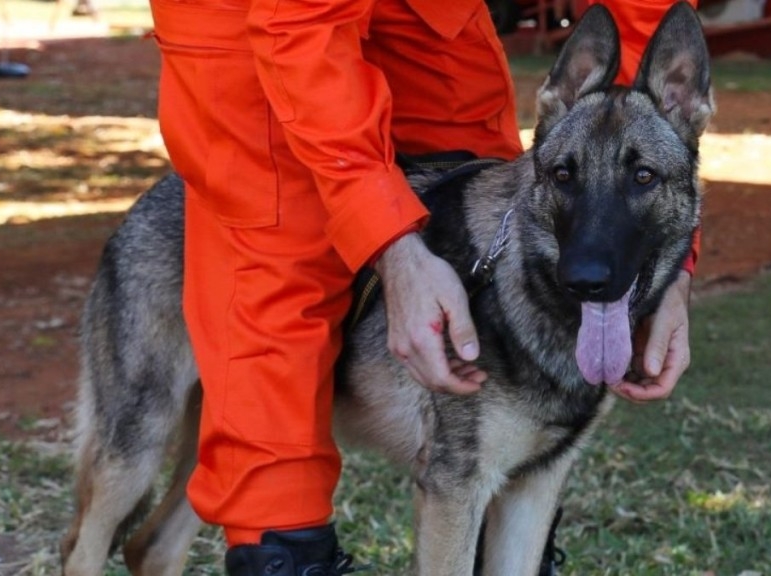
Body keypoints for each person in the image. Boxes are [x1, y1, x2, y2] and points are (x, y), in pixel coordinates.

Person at [146, 0, 698, 573]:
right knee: (280, 245)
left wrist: (670, 272)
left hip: (432, 11)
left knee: (474, 170)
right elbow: (298, 28)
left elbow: (643, 24)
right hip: (266, 18)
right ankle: (286, 551)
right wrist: (394, 248)